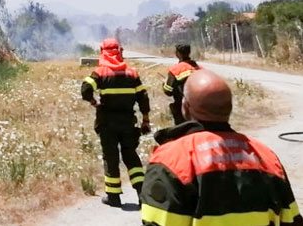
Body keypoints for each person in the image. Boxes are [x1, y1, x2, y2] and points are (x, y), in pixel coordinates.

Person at [141, 69, 302, 225]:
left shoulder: (171, 160)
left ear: (186, 106)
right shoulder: (267, 157)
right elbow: (291, 220)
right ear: (229, 109)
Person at [81, 38, 151, 208]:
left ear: (102, 51)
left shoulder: (100, 72)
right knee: (131, 155)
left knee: (111, 157)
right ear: (120, 51)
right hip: (128, 122)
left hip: (107, 122)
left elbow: (85, 89)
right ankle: (142, 195)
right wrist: (146, 120)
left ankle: (113, 196)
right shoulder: (132, 73)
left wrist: (93, 102)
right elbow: (143, 97)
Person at [162, 43, 200, 125]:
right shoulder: (198, 68)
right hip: (199, 108)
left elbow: (168, 91)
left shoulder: (175, 70)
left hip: (182, 108)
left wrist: (164, 83)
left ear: (178, 54)